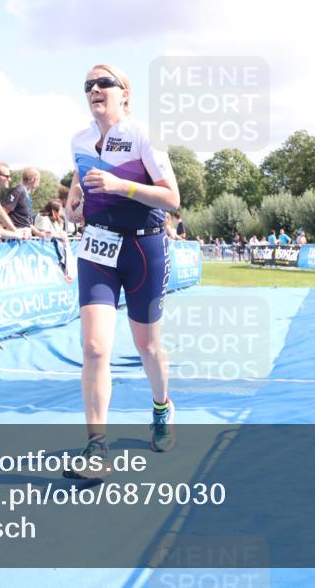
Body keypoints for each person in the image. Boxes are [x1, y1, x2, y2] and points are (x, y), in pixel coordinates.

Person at [64, 63, 181, 475]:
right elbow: (81, 181)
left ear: (124, 93)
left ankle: (162, 407)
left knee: (147, 347)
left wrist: (122, 186)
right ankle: (96, 448)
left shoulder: (143, 134)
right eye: (88, 85)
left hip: (143, 247)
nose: (94, 89)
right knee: (95, 347)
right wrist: (73, 204)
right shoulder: (79, 140)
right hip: (97, 247)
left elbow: (172, 199)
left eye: (103, 83)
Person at [4, 166, 49, 238]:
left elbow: (26, 222)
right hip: (16, 237)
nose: (39, 183)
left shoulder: (25, 194)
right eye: (39, 179)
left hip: (24, 235)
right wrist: (15, 231)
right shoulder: (19, 190)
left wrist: (39, 233)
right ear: (35, 179)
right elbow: (4, 212)